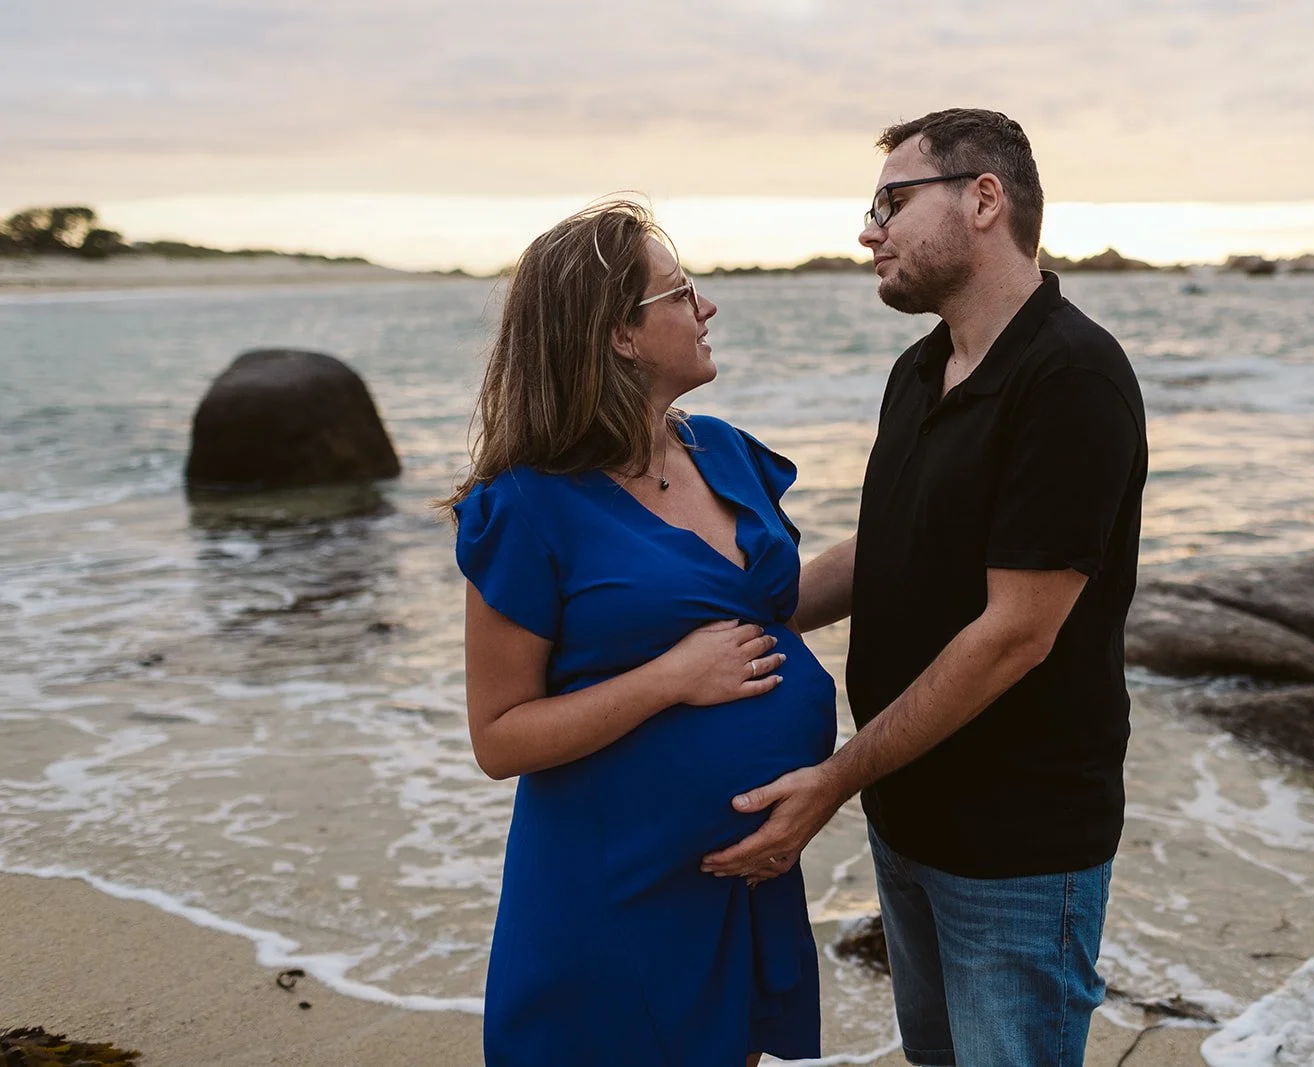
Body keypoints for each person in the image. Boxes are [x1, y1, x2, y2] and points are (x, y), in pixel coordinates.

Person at [701, 109, 1149, 1066]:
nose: (869, 232)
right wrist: (729, 619)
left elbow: (1016, 633)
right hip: (906, 820)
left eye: (890, 203)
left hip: (1017, 846)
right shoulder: (920, 369)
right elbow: (888, 544)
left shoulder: (1072, 375)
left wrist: (835, 779)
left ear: (984, 200)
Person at [444, 201, 837, 1067]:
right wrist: (668, 679)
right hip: (612, 894)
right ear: (620, 334)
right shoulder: (527, 507)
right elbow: (499, 736)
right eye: (682, 292)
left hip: (745, 873)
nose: (707, 307)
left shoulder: (726, 454)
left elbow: (768, 611)